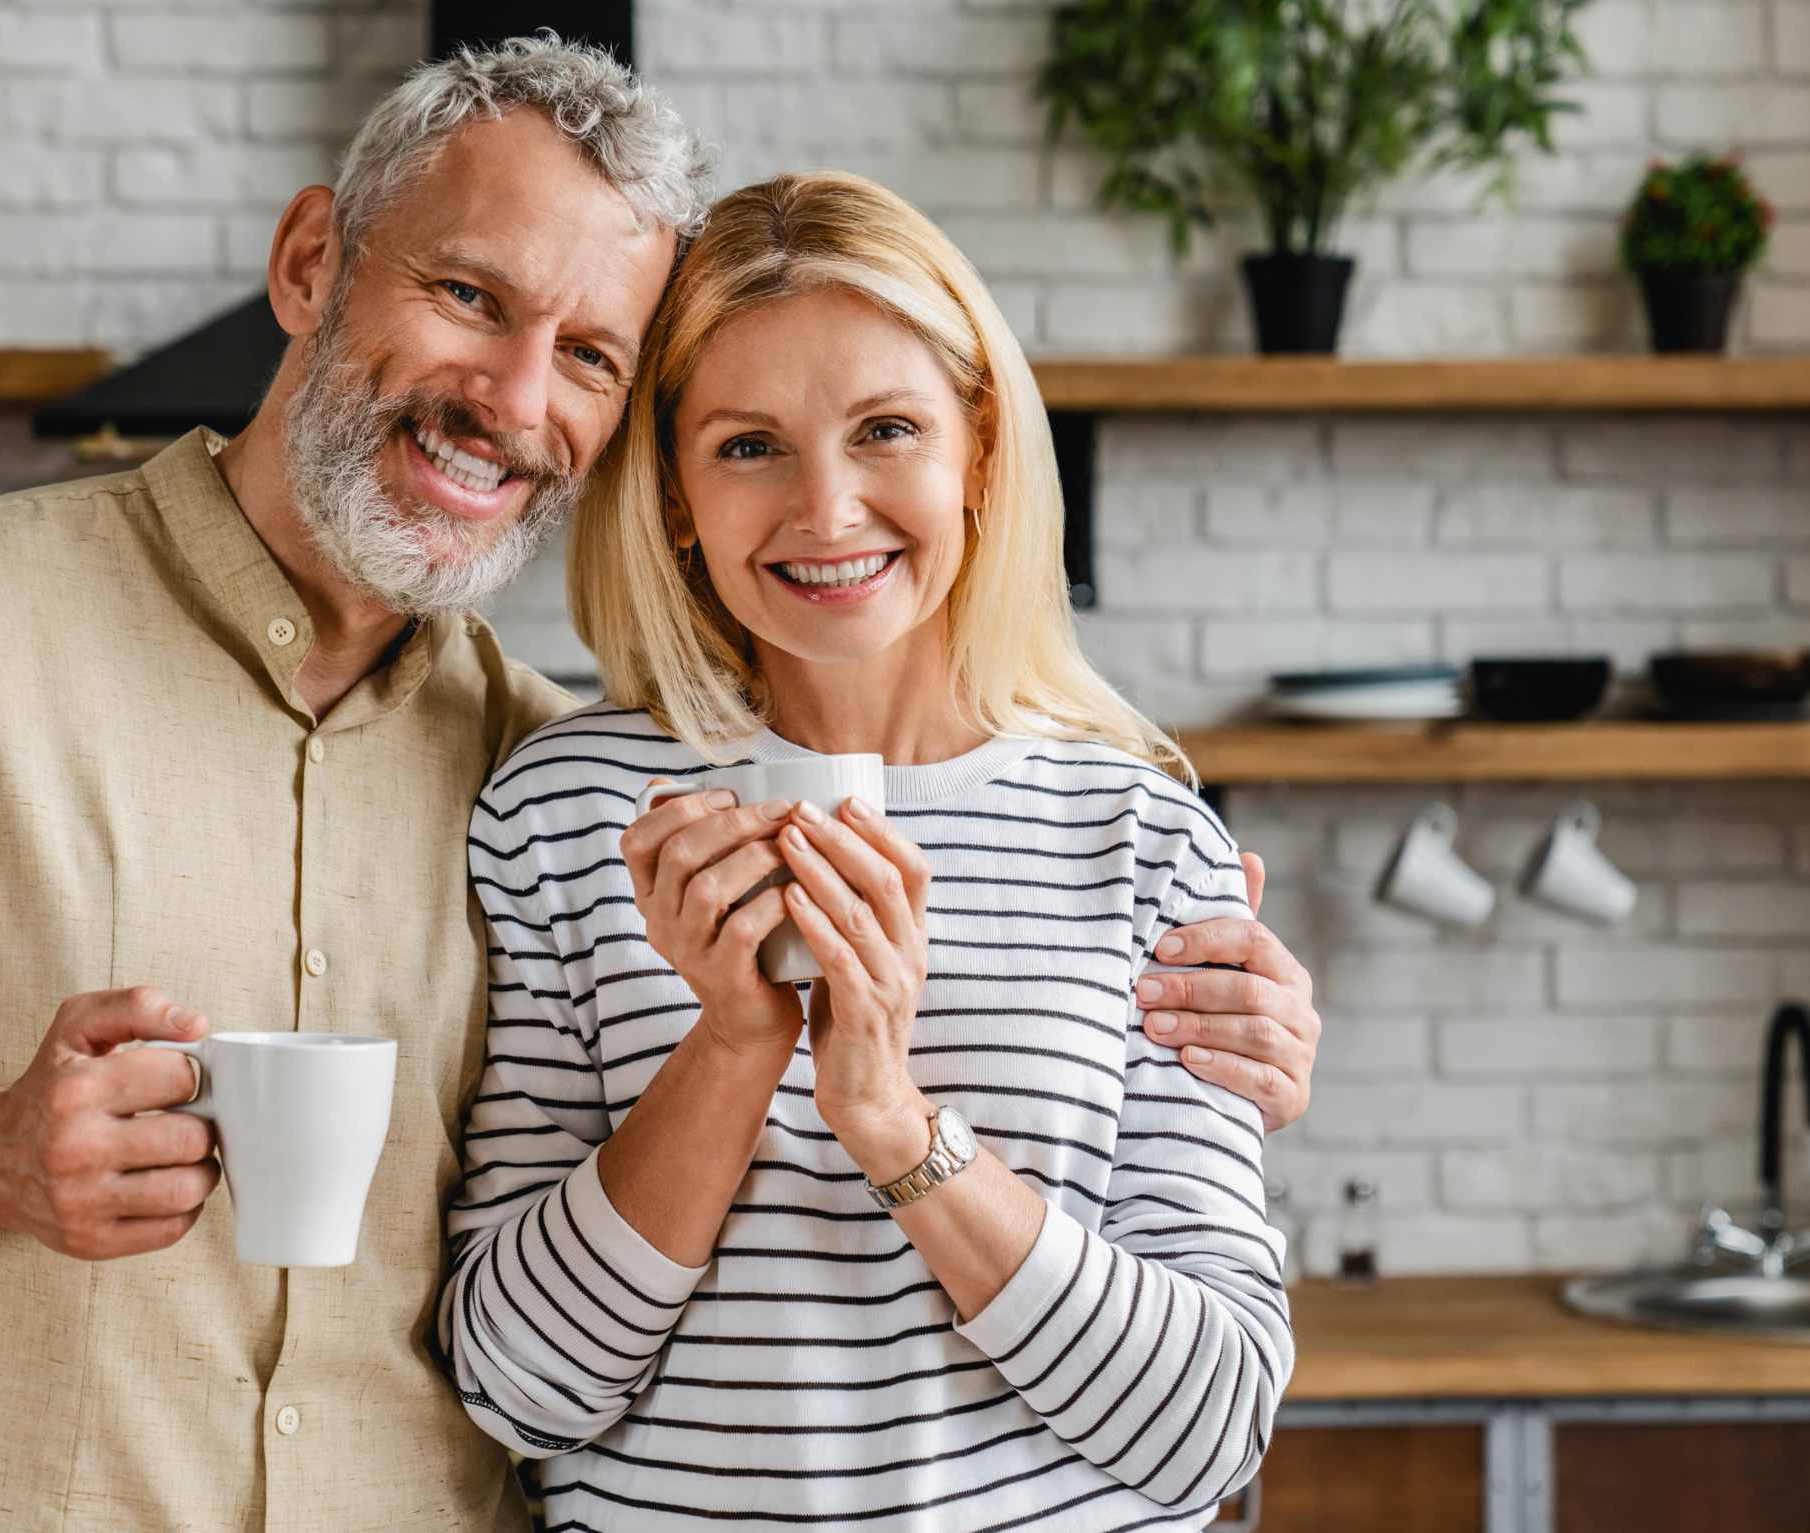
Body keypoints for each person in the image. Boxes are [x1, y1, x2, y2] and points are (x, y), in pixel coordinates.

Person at [0, 41, 1317, 1533]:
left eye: (589, 354)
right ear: (307, 261)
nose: (513, 397)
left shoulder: (529, 757)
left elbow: (1200, 1399)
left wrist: (1026, 1074)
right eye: (471, 297)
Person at [441, 170, 1290, 1531]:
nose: (826, 511)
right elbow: (516, 1387)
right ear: (672, 498)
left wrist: (891, 1119)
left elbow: (1209, 1428)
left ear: (982, 452)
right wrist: (730, 1046)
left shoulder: (1139, 838)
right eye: (747, 445)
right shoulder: (561, 812)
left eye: (885, 429)